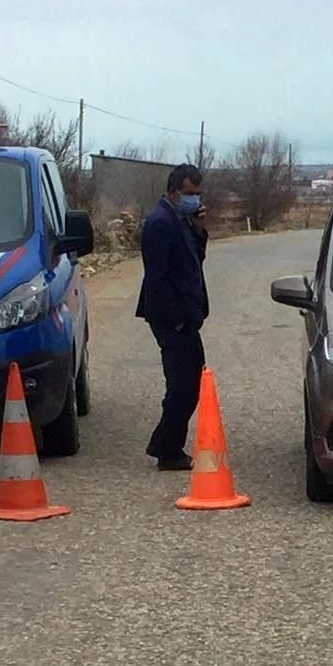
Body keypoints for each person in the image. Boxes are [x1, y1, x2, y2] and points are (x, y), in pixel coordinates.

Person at [136, 165, 209, 469]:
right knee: (182, 383)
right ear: (173, 191)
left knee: (191, 378)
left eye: (197, 193)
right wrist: (176, 319)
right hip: (171, 317)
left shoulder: (180, 220)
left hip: (185, 315)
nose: (195, 199)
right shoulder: (160, 223)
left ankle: (166, 444)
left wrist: (198, 229)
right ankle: (166, 448)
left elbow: (194, 260)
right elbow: (157, 278)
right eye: (190, 193)